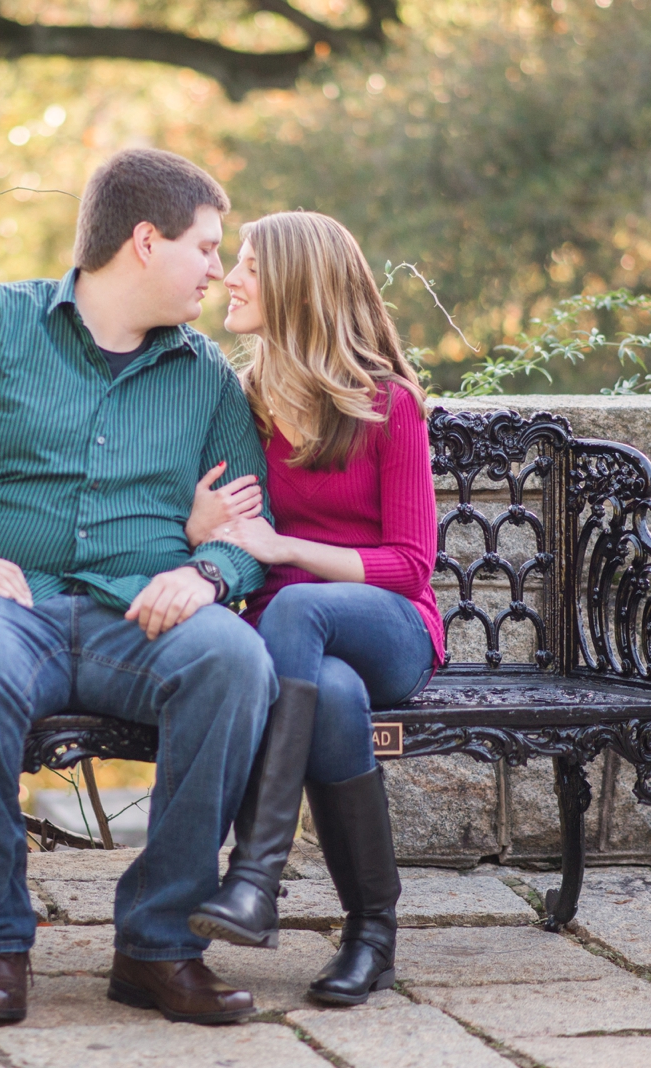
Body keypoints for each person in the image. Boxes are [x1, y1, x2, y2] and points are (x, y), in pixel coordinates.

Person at [0, 149, 289, 1026]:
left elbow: (248, 533)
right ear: (145, 241)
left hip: (138, 616)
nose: (218, 270)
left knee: (234, 660)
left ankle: (158, 946)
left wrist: (207, 573)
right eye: (207, 247)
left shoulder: (208, 380)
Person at [183, 211, 443, 1006]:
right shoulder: (244, 404)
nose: (231, 277)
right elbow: (213, 525)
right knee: (330, 696)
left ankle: (255, 873)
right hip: (300, 649)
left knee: (299, 613)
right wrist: (201, 529)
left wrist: (288, 550)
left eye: (251, 265)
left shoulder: (386, 405)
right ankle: (372, 935)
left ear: (298, 285)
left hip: (390, 627)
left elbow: (408, 565)